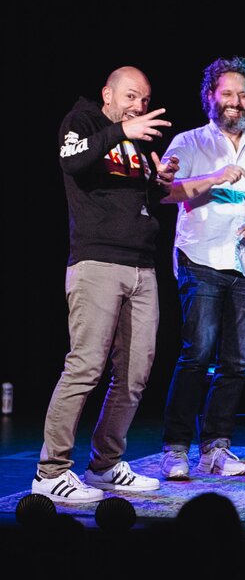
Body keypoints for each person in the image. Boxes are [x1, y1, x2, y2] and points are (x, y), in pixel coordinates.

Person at [32, 66, 177, 502]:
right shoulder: (83, 122)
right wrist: (121, 130)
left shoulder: (129, 141)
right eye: (131, 97)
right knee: (85, 367)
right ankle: (50, 471)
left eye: (144, 100)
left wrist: (158, 182)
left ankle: (106, 464)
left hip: (141, 266)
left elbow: (130, 199)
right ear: (107, 95)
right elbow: (72, 161)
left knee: (134, 375)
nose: (139, 107)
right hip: (97, 262)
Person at [159, 56, 245, 480]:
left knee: (235, 363)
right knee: (196, 356)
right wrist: (216, 176)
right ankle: (176, 448)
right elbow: (164, 192)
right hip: (200, 259)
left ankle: (216, 447)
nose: (235, 101)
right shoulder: (189, 142)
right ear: (211, 97)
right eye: (227, 93)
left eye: (242, 94)